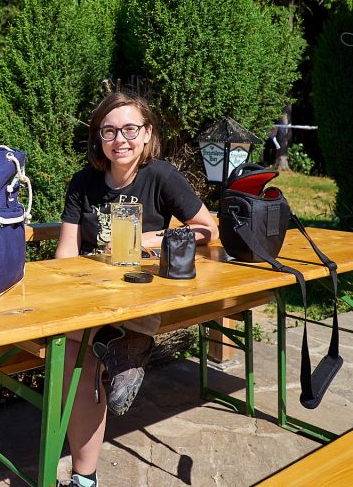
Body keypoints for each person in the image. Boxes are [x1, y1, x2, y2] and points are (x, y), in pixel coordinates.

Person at [55, 90, 218, 487]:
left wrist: (149, 240)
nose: (120, 139)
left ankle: (84, 478)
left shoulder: (160, 175)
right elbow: (65, 253)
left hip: (142, 290)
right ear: (98, 138)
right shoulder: (83, 183)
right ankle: (121, 348)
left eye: (130, 128)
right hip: (94, 293)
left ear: (147, 134)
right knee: (72, 354)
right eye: (108, 131)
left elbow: (206, 230)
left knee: (74, 356)